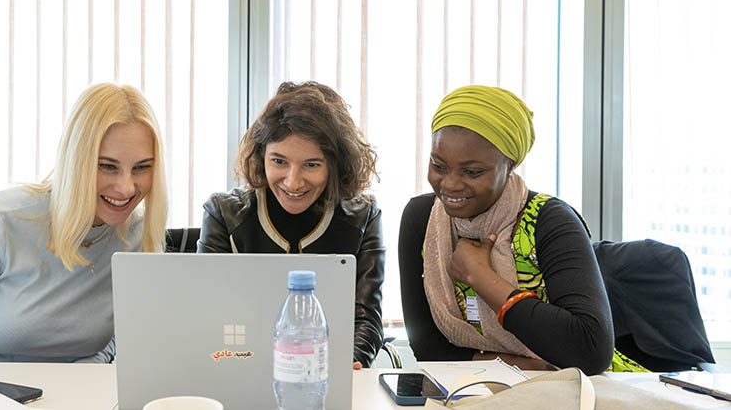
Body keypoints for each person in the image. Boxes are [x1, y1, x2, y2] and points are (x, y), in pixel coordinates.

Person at [0, 83, 168, 362]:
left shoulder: (137, 235)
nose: (126, 188)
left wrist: (86, 375)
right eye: (107, 166)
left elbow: (120, 339)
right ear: (76, 161)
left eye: (142, 167)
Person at [398, 85, 614, 375]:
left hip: (578, 392)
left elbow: (590, 352)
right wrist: (521, 368)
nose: (449, 185)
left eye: (472, 172)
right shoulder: (421, 220)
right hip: (469, 389)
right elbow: (427, 347)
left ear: (509, 165)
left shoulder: (550, 221)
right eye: (439, 165)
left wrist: (481, 277)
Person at [198, 81, 385, 369]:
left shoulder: (363, 216)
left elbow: (366, 319)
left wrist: (350, 362)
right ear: (261, 157)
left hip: (328, 374)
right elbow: (208, 314)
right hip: (242, 370)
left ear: (335, 165)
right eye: (279, 161)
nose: (293, 182)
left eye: (312, 165)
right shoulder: (223, 213)